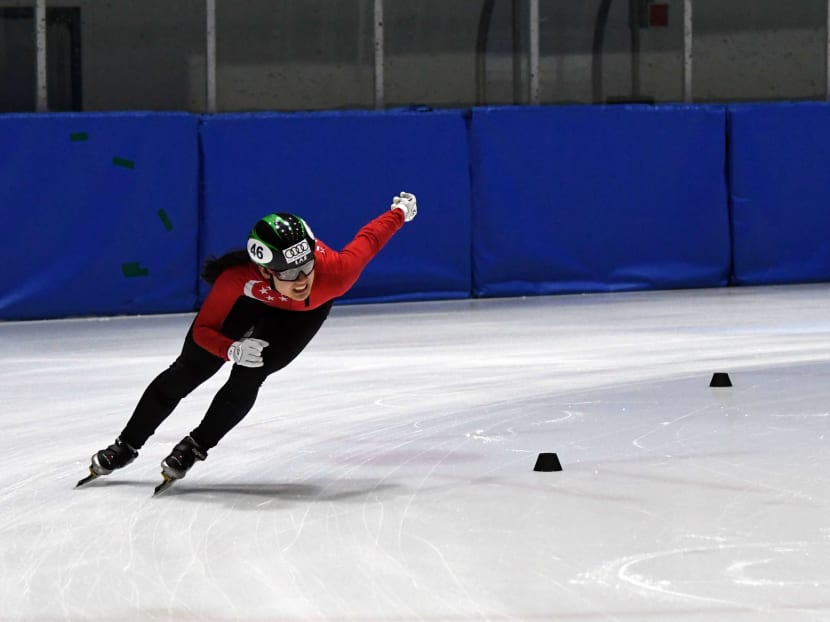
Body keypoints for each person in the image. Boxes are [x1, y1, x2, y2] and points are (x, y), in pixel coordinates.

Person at [79, 191, 418, 487]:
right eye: (288, 273)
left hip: (299, 318)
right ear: (264, 270)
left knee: (249, 374)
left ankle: (195, 446)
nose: (301, 281)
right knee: (188, 371)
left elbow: (370, 238)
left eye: (305, 267)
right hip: (249, 303)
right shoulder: (236, 280)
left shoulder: (336, 274)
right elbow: (202, 333)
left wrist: (400, 212)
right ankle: (126, 445)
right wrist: (230, 348)